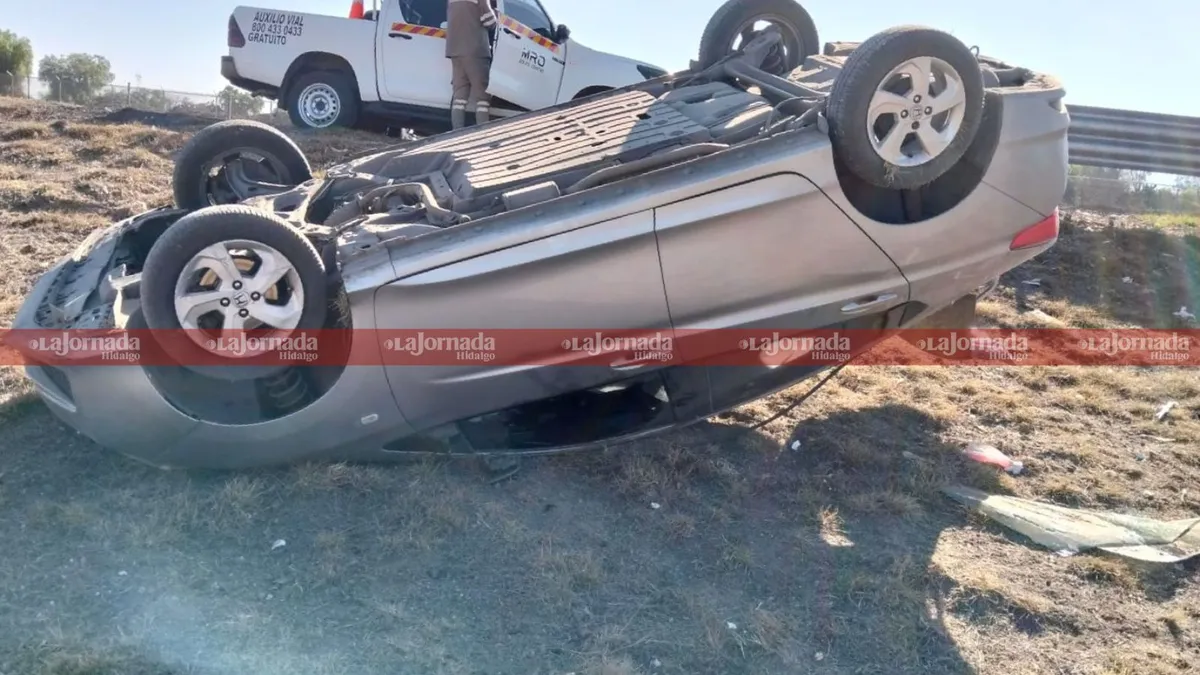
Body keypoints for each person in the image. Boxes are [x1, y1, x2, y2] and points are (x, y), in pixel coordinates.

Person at [445, 0, 497, 129]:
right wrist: (495, 14)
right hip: (476, 49)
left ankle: (456, 132)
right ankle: (482, 133)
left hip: (455, 49)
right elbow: (490, 22)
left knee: (459, 95)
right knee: (482, 96)